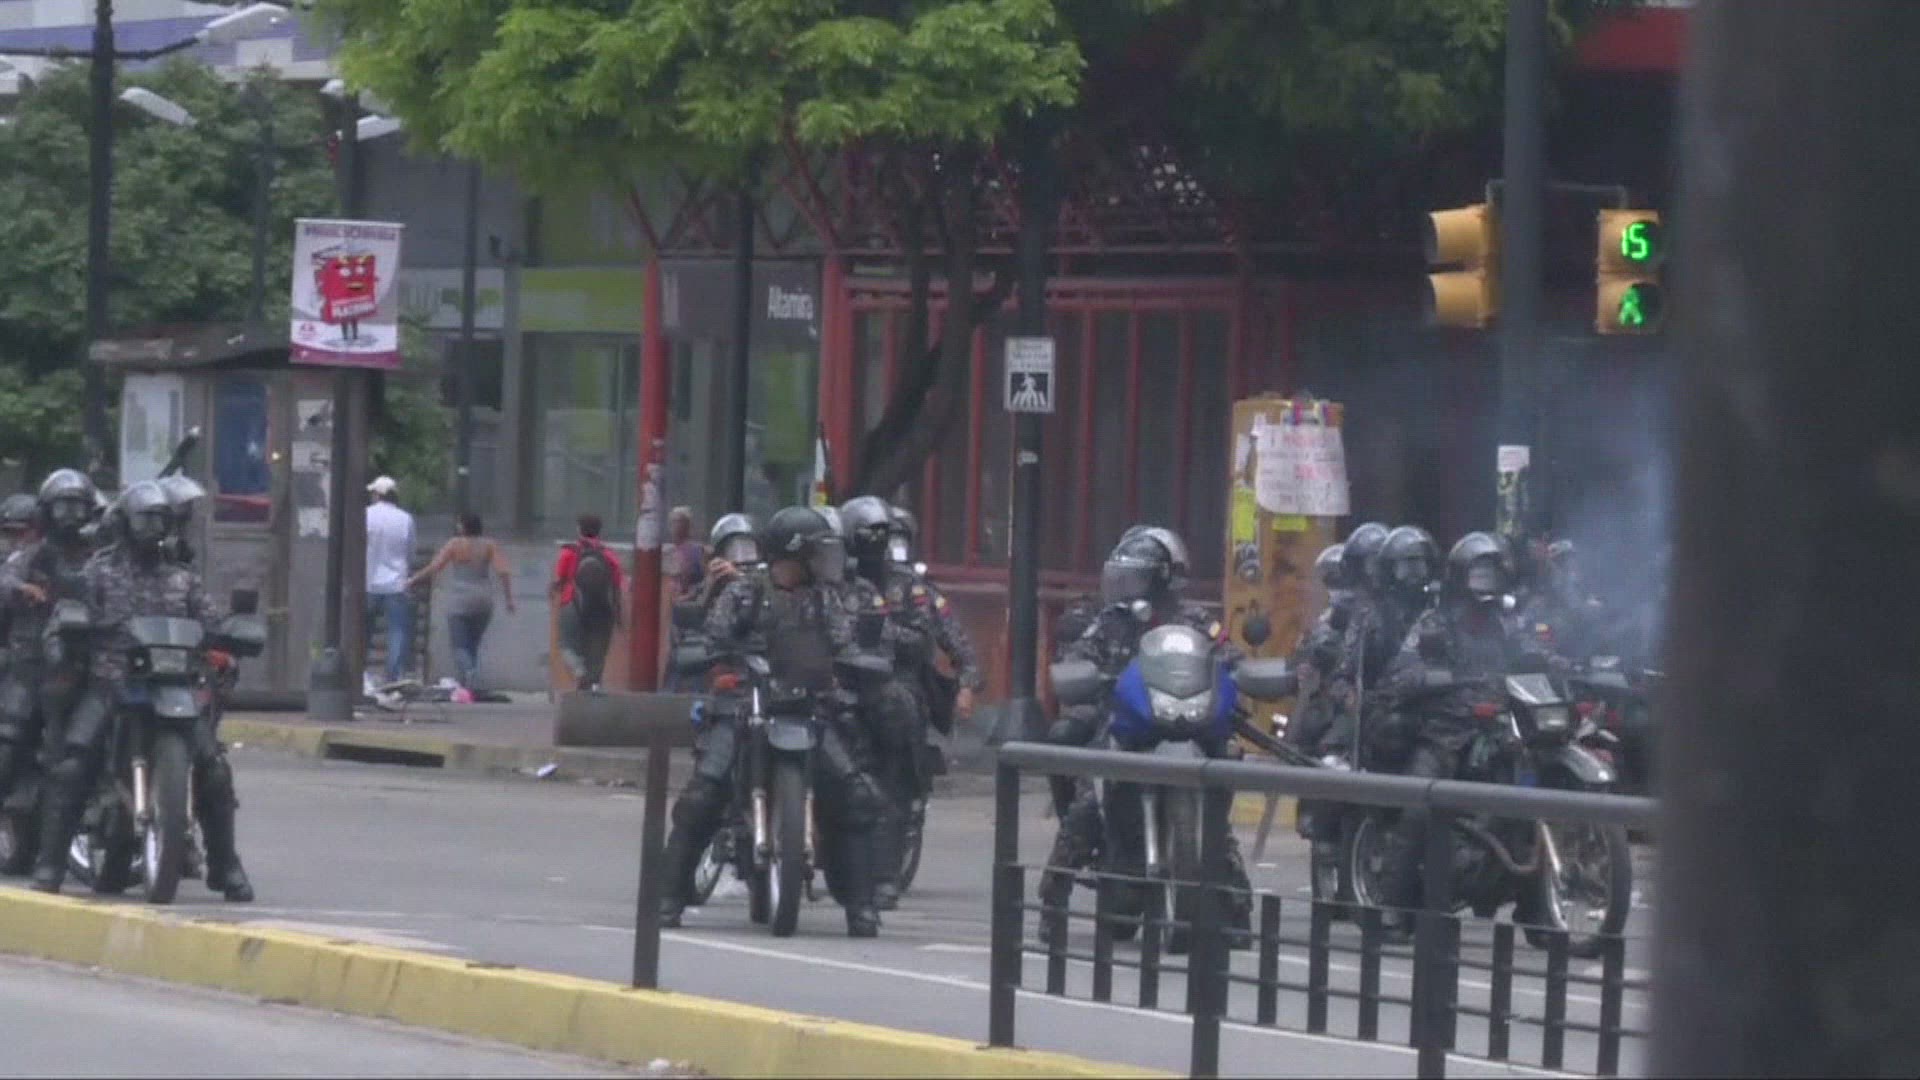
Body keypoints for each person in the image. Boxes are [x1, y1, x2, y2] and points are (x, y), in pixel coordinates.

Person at [657, 506, 887, 937]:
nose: (822, 562)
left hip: (810, 707)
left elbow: (844, 644)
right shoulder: (745, 592)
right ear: (792, 554)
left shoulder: (825, 598)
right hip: (748, 702)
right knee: (703, 793)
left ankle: (862, 904)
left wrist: (858, 663)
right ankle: (668, 896)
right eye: (814, 553)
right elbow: (713, 636)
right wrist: (710, 652)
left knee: (856, 794)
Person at [31, 481, 251, 900]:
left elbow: (212, 623)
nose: (153, 528)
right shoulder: (99, 572)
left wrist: (234, 636)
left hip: (174, 685)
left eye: (159, 520)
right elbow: (65, 614)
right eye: (144, 519)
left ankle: (226, 865)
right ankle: (50, 863)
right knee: (73, 765)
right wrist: (64, 640)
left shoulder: (183, 580)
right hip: (112, 682)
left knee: (215, 769)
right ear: (125, 523)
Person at [1049, 527, 1254, 937]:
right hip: (1128, 723)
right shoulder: (1110, 621)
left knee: (1219, 814)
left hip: (1184, 722)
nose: (1127, 588)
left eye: (1137, 578)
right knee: (1087, 803)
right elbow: (1078, 656)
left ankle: (1236, 908)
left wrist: (1235, 679)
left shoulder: (1196, 621)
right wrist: (1086, 676)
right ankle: (1052, 900)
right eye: (1124, 577)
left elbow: (1230, 658)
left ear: (1165, 580)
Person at [1376, 531, 1552, 935]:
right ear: (1461, 577)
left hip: (1499, 726)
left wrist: (1557, 663)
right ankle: (1391, 905)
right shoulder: (1435, 622)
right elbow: (1401, 670)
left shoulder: (1507, 622)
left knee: (1532, 798)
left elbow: (1533, 653)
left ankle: (1534, 905)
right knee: (1418, 806)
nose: (1486, 582)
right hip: (1446, 730)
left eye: (1492, 573)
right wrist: (1432, 676)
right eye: (1479, 573)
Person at [840, 496, 983, 910]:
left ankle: (885, 877)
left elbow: (940, 639)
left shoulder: (909, 587)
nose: (875, 544)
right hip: (840, 680)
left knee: (895, 773)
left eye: (882, 536)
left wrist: (967, 684)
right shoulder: (832, 582)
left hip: (894, 682)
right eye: (866, 536)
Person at [0, 473, 99, 867]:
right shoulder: (33, 555)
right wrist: (21, 590)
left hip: (84, 664)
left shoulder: (99, 556)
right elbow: (5, 578)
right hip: (32, 664)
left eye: (77, 507)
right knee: (11, 736)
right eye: (63, 507)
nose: (70, 516)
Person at [408, 514, 515, 697]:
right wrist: (509, 599)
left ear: (463, 526)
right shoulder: (489, 545)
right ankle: (468, 683)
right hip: (483, 599)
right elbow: (503, 571)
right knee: (473, 643)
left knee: (459, 645)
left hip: (459, 599)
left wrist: (413, 579)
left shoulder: (455, 544)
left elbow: (435, 567)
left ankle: (469, 673)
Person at [552, 513, 625, 692]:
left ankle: (578, 670)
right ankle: (593, 687)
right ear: (599, 531)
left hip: (572, 604)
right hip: (602, 608)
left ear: (579, 529)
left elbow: (559, 580)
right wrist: (619, 615)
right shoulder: (609, 555)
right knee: (597, 652)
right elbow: (617, 587)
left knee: (567, 645)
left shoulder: (569, 552)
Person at [364, 475, 417, 690]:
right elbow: (410, 551)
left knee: (363, 631)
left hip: (368, 581)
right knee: (397, 631)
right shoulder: (405, 519)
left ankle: (361, 672)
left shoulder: (366, 515)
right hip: (397, 582)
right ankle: (394, 676)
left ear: (378, 494)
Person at [664, 507, 706, 602]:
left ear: (688, 525)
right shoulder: (666, 551)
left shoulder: (699, 550)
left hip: (690, 603)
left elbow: (706, 582)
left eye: (678, 521)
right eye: (672, 522)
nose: (674, 525)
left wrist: (690, 595)